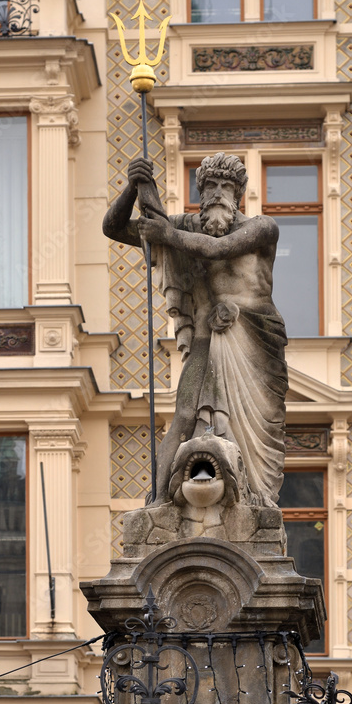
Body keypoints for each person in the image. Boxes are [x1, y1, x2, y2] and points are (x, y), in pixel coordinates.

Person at [103, 152, 288, 507]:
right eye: (211, 186)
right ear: (200, 192)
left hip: (256, 338)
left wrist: (166, 235)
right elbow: (113, 228)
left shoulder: (262, 228)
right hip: (208, 335)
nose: (218, 193)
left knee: (256, 434)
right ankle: (157, 504)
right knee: (184, 414)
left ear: (240, 193)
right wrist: (132, 187)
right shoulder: (185, 228)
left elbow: (218, 250)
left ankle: (255, 500)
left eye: (227, 186)